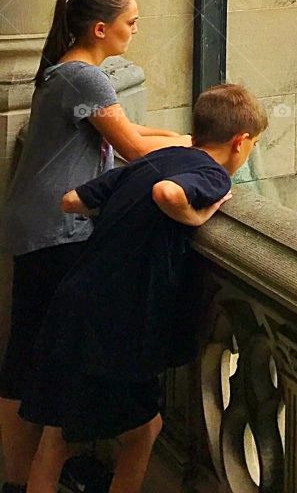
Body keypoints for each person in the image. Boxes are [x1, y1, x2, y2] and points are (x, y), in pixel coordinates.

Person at [20, 83, 267, 493]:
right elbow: (167, 193)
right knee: (144, 431)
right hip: (116, 324)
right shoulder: (211, 175)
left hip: (74, 302)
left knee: (58, 435)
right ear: (240, 142)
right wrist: (198, 215)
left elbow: (71, 200)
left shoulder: (161, 158)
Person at [0, 0, 191, 493]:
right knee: (50, 361)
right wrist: (200, 159)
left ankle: (17, 479)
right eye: (131, 22)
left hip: (34, 223)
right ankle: (31, 475)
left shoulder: (64, 71)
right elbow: (132, 148)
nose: (135, 30)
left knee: (23, 355)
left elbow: (127, 129)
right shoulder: (87, 78)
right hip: (58, 230)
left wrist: (184, 139)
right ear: (101, 28)